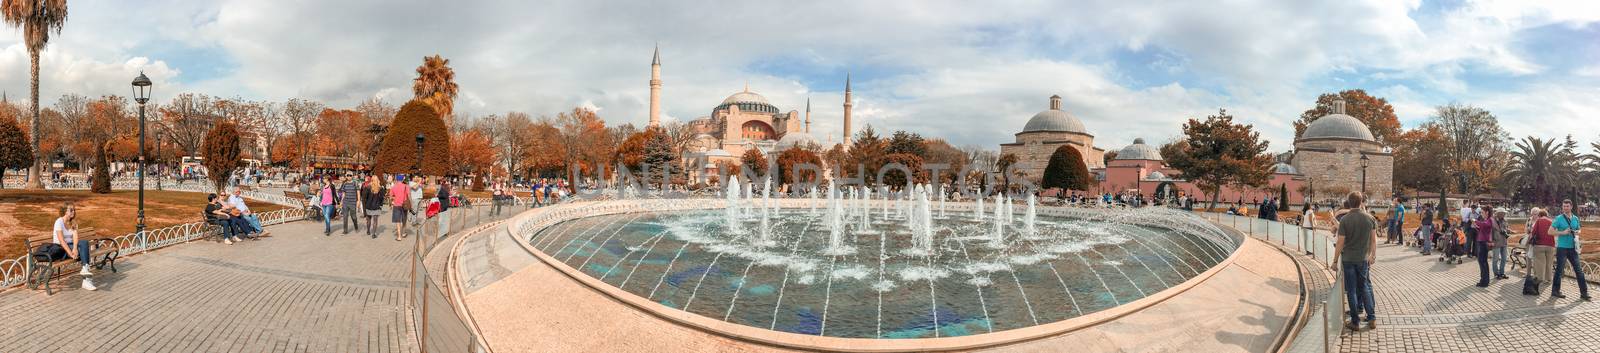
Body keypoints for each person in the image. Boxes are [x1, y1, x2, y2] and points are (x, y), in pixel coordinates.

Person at [1332, 192, 1377, 331]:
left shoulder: (1345, 220)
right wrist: (1372, 255)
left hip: (1348, 259)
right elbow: (1374, 240)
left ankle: (1355, 322)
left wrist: (1334, 260)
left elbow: (1340, 242)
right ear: (1361, 202)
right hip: (1363, 259)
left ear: (1349, 202)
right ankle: (1372, 318)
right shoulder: (1370, 218)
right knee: (1364, 287)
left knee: (1351, 290)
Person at [49, 202, 98, 291]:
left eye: (74, 210)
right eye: (71, 210)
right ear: (65, 211)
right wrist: (71, 253)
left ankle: (85, 270)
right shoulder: (59, 222)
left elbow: (75, 237)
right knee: (84, 250)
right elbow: (61, 241)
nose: (73, 212)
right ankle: (87, 280)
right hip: (61, 249)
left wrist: (75, 248)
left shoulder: (73, 223)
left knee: (84, 243)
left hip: (71, 247)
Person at [1552, 199, 1590, 300]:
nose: (1565, 208)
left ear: (1571, 207)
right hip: (1562, 248)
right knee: (1559, 271)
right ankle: (1555, 291)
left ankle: (1584, 293)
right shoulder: (1559, 218)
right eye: (1564, 206)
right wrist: (1563, 232)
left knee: (1579, 271)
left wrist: (1578, 231)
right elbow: (1550, 231)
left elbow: (1579, 229)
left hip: (1573, 248)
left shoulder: (1576, 218)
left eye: (1567, 206)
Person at [1528, 208, 1556, 293]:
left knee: (1540, 263)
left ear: (1539, 215)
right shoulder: (1552, 221)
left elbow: (1533, 232)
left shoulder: (1539, 221)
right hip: (1551, 245)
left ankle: (1540, 279)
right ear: (1546, 215)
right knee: (1549, 263)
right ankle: (1548, 279)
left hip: (1539, 245)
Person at [1492, 210, 1509, 279]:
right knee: (1495, 259)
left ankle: (1502, 272)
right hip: (1496, 242)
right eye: (1502, 213)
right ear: (1498, 214)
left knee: (1504, 258)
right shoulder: (1493, 221)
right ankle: (1496, 273)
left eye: (1504, 213)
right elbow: (1491, 232)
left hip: (1504, 242)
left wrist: (1509, 231)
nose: (1504, 215)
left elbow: (1506, 229)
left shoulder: (1505, 221)